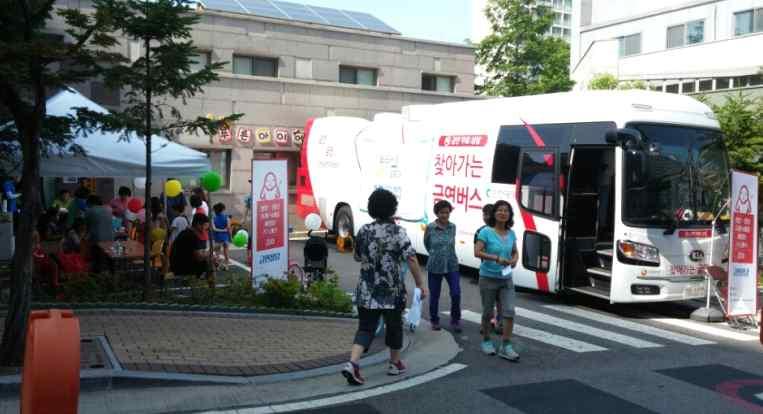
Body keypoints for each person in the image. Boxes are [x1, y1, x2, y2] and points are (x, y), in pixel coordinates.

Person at [341, 188, 428, 386]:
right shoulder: (398, 232)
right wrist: (421, 284)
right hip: (392, 292)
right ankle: (395, 363)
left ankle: (352, 363)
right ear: (392, 209)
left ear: (371, 208)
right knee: (394, 327)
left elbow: (357, 256)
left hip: (366, 290)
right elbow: (411, 258)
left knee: (365, 328)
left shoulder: (364, 230)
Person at [474, 200, 519, 361]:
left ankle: (506, 345)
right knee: (487, 312)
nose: (503, 213)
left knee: (509, 312)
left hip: (506, 279)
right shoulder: (486, 232)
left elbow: (515, 252)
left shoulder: (511, 233)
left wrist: (514, 260)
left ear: (510, 215)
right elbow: (477, 252)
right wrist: (495, 258)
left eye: (506, 210)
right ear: (494, 213)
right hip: (488, 278)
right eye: (499, 210)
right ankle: (486, 340)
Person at [423, 200, 461, 333]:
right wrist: (435, 254)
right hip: (435, 265)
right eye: (442, 213)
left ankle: (455, 320)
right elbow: (427, 244)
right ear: (437, 213)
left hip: (452, 264)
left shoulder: (453, 227)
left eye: (447, 212)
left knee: (456, 293)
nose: (445, 215)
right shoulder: (430, 227)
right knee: (435, 295)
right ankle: (434, 320)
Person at [472, 204, 495, 285]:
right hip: (487, 270)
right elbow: (477, 251)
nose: (485, 217)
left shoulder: (503, 230)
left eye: (488, 214)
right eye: (484, 214)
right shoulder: (480, 230)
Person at [211, 202, 231, 269]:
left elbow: (214, 229)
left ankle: (217, 266)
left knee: (217, 252)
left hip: (217, 237)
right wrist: (230, 237)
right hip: (225, 237)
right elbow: (228, 228)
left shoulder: (213, 218)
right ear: (222, 210)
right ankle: (226, 266)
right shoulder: (227, 218)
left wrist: (221, 230)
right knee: (226, 252)